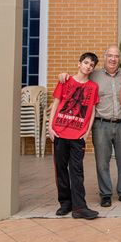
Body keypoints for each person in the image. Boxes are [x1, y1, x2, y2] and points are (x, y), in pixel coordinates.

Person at [57, 45, 121, 208]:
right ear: (105, 57)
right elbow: (78, 78)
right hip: (101, 124)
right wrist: (64, 75)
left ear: (120, 59)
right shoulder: (94, 74)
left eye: (116, 56)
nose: (113, 59)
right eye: (110, 55)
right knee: (101, 162)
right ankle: (105, 194)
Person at [48, 52, 100, 220]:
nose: (88, 66)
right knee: (61, 169)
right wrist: (50, 127)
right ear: (79, 63)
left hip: (78, 135)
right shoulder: (65, 80)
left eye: (91, 65)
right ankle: (65, 203)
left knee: (76, 171)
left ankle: (79, 207)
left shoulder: (93, 87)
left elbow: (91, 111)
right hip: (60, 132)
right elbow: (56, 103)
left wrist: (87, 132)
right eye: (86, 63)